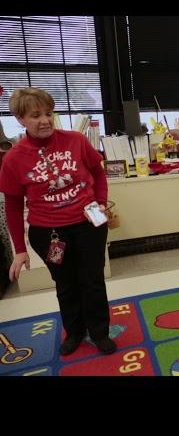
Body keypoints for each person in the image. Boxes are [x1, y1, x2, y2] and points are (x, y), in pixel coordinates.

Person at [0, 88, 116, 356]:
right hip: (48, 232)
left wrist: (100, 201)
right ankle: (74, 332)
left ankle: (99, 332)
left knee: (92, 280)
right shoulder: (13, 159)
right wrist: (19, 250)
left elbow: (98, 175)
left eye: (49, 113)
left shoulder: (75, 140)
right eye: (35, 115)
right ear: (20, 119)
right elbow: (14, 207)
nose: (45, 120)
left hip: (88, 224)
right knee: (66, 283)